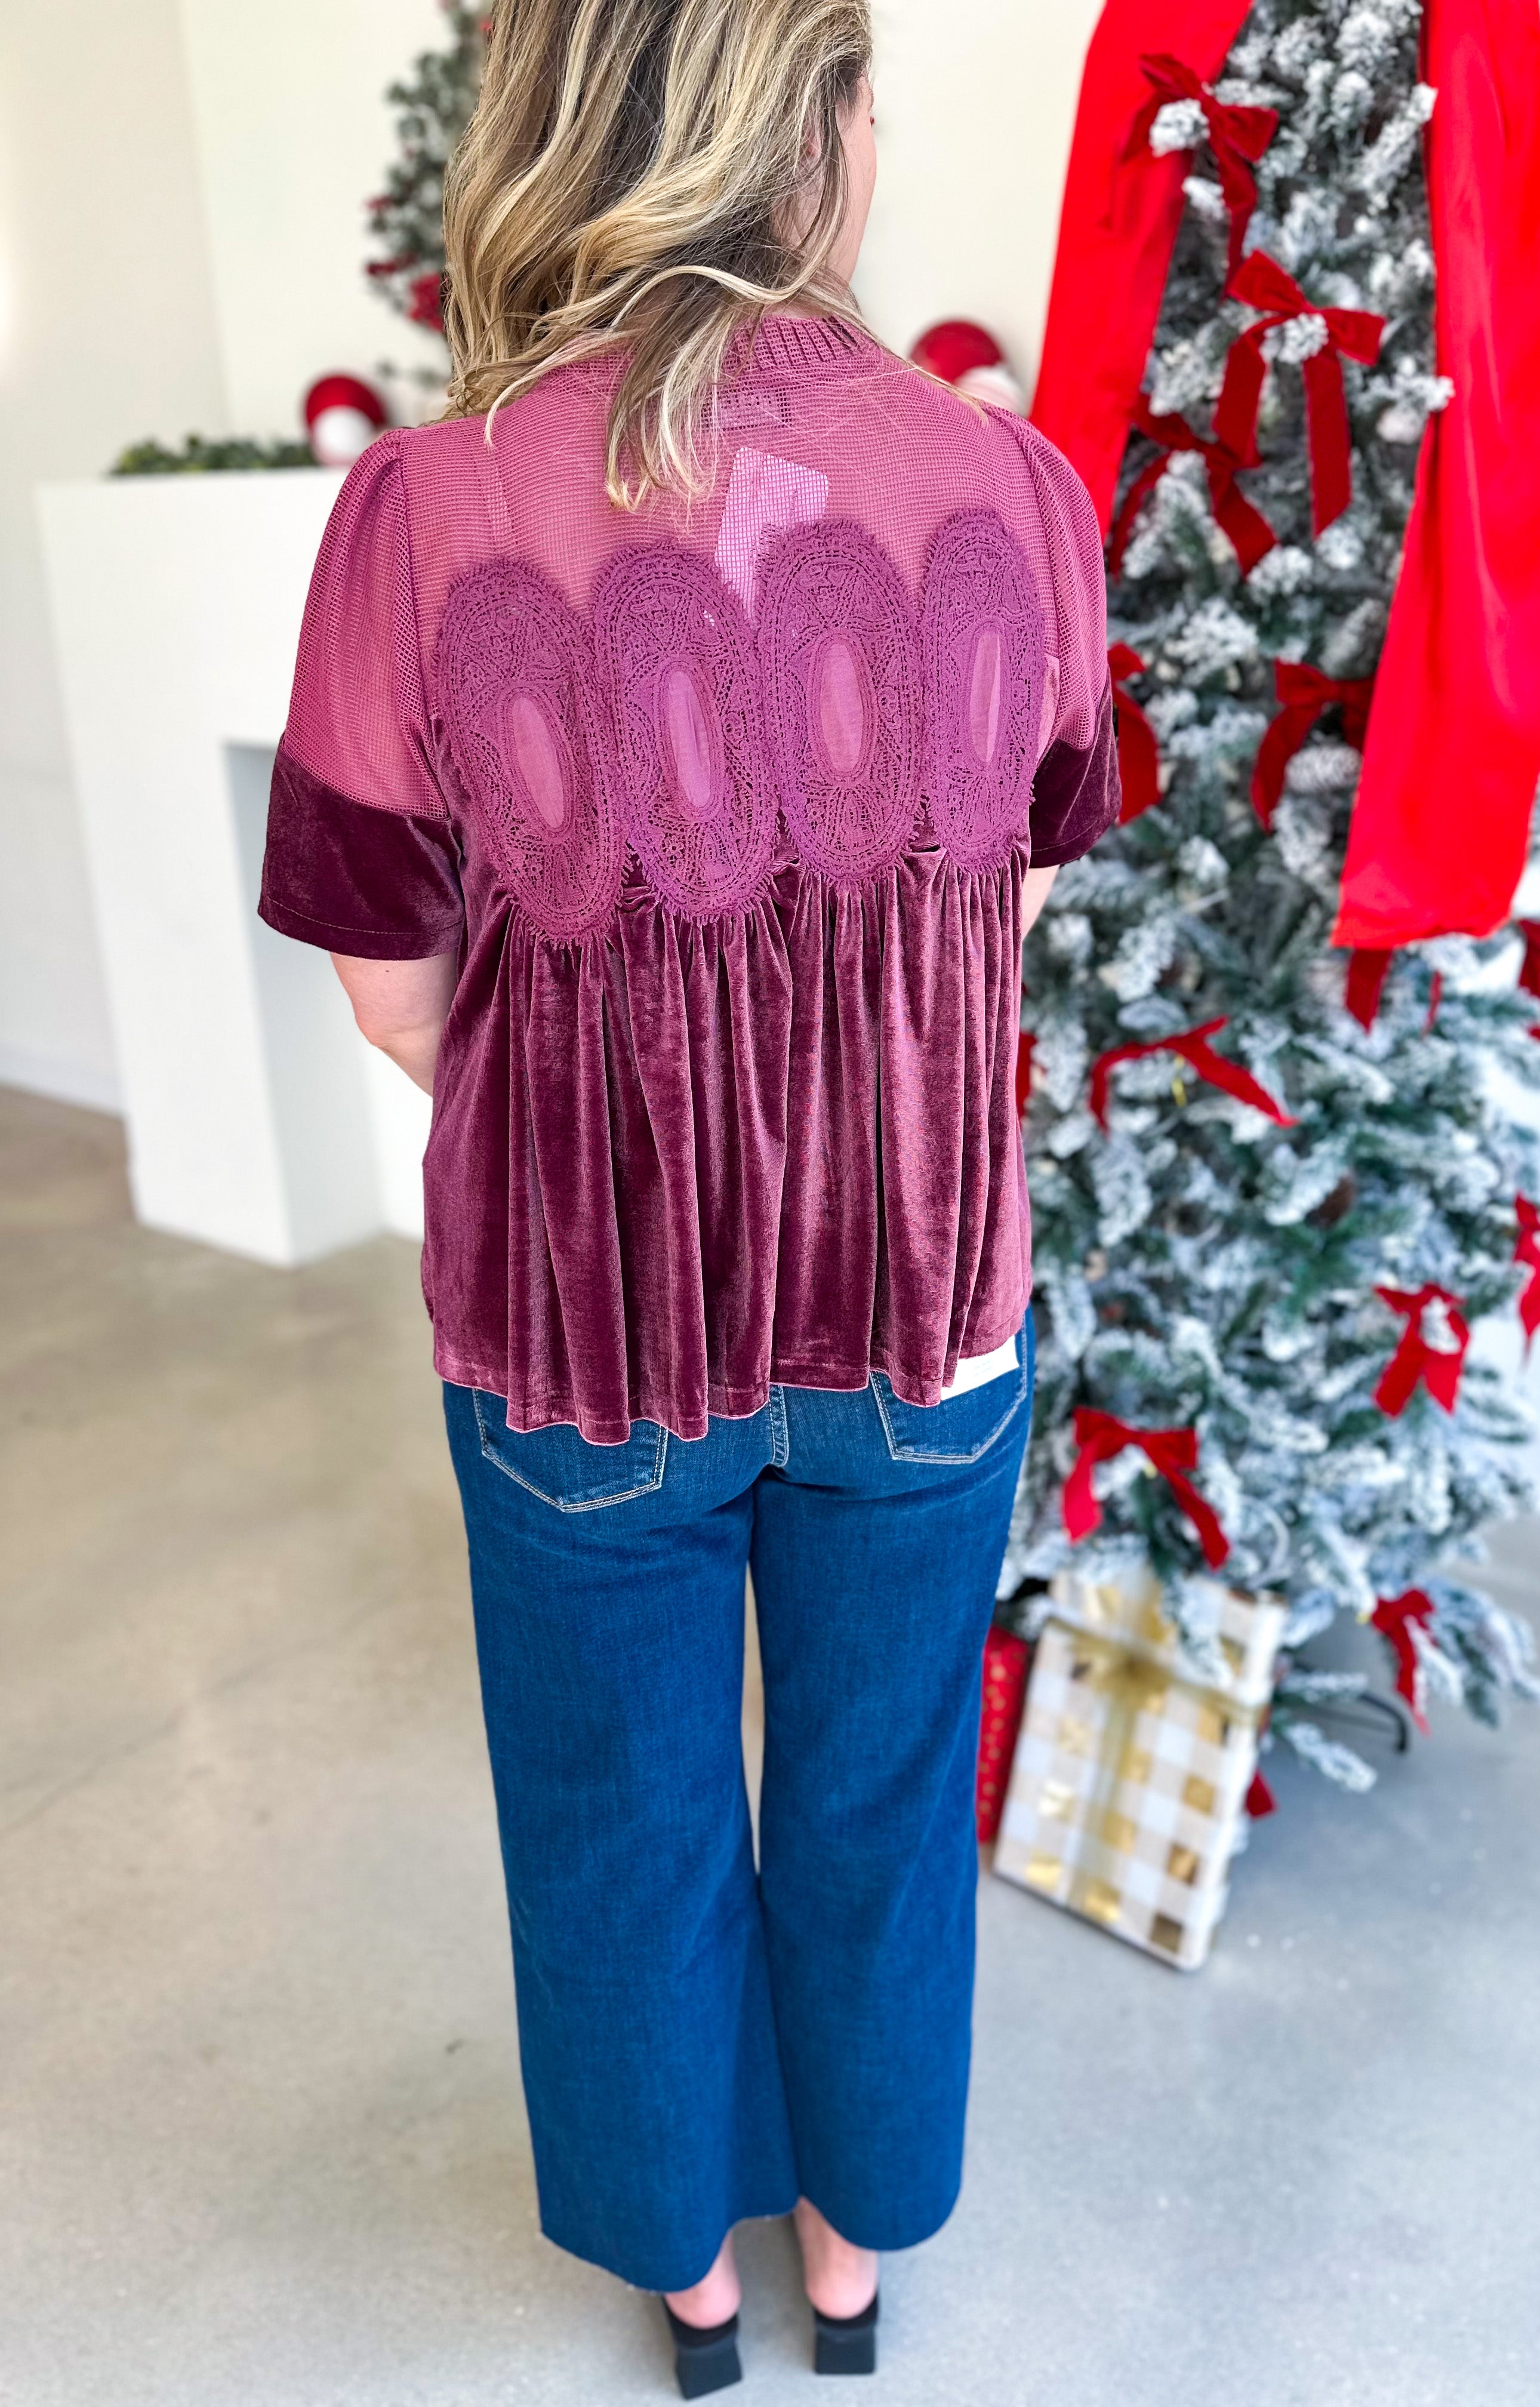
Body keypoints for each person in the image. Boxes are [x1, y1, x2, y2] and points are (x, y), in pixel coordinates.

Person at [259, 0, 1117, 2390]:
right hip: (919, 1307)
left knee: (618, 1818)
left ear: (551, 127)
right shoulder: (1017, 488)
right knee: (875, 1790)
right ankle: (856, 2258)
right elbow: (1007, 925)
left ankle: (698, 2280)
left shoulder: (417, 517)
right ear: (827, 132)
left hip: (576, 1332)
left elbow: (386, 993)